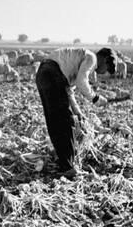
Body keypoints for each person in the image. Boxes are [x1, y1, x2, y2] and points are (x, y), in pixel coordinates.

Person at [35, 47, 116, 178]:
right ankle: (68, 167)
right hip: (53, 73)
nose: (103, 72)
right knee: (65, 121)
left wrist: (78, 112)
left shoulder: (77, 61)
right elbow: (81, 82)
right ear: (105, 59)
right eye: (106, 69)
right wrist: (95, 98)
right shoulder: (91, 58)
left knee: (54, 120)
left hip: (43, 73)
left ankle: (63, 163)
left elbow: (68, 90)